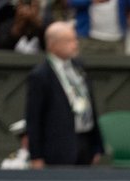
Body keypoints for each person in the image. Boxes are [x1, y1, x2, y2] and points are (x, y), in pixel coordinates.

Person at [25, 22, 105, 167]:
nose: (75, 44)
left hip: (84, 142)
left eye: (75, 39)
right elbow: (33, 119)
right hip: (57, 148)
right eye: (69, 41)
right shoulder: (41, 75)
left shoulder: (79, 66)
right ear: (53, 45)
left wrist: (96, 146)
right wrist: (36, 155)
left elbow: (91, 105)